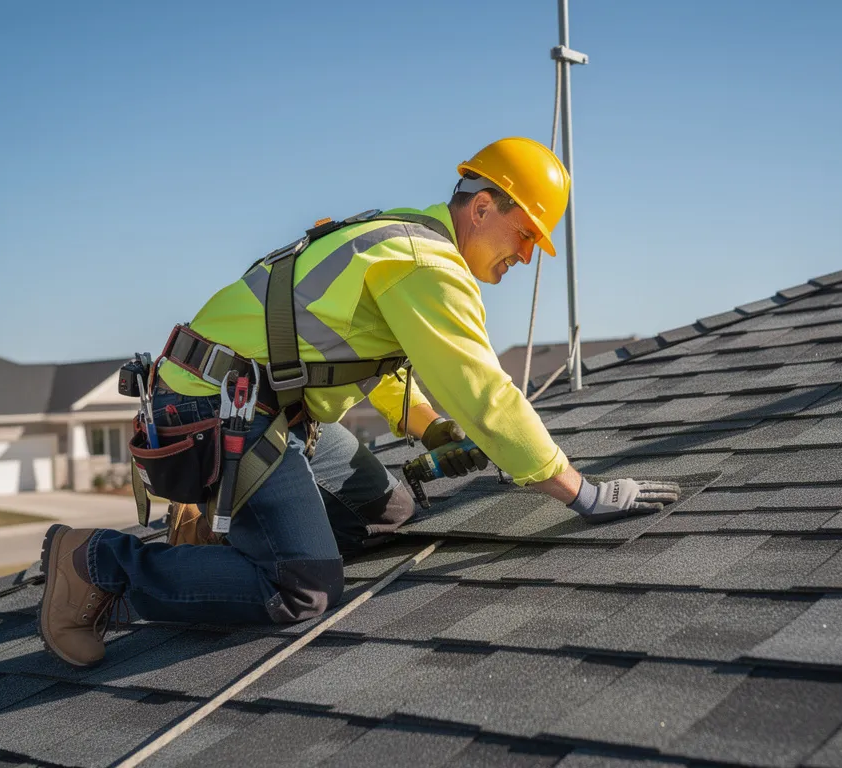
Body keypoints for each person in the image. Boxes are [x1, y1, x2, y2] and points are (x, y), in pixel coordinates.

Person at [37, 137, 679, 667]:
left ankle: (224, 544)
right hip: (218, 410)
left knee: (387, 509)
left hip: (262, 408)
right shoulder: (423, 262)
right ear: (484, 207)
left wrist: (429, 431)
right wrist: (582, 493)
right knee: (304, 589)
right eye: (526, 236)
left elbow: (369, 360)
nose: (525, 257)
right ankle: (94, 563)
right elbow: (486, 395)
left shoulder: (403, 236)